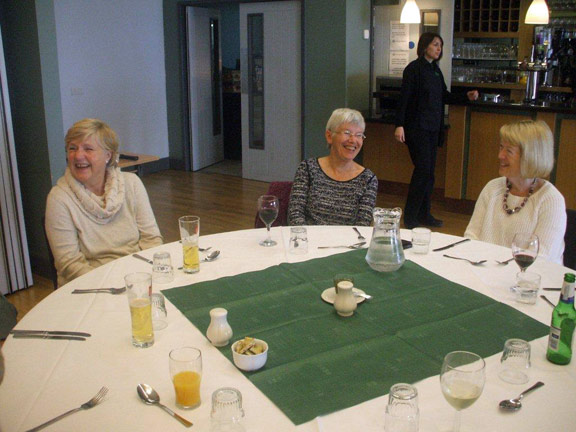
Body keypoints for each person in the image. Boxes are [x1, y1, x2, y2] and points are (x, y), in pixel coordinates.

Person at [45, 119, 163, 286]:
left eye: (88, 149)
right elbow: (70, 264)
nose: (78, 155)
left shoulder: (131, 183)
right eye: (72, 148)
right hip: (90, 286)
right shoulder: (59, 198)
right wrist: (112, 284)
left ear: (108, 155)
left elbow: (152, 239)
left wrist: (142, 277)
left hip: (137, 277)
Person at [395, 32, 479, 230]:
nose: (438, 48)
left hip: (433, 129)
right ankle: (410, 216)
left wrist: (465, 96)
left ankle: (424, 214)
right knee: (422, 171)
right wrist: (399, 124)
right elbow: (404, 99)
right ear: (425, 46)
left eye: (440, 45)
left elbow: (445, 96)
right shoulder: (413, 69)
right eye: (435, 44)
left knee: (429, 174)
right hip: (416, 129)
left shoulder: (435, 70)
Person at [465, 120, 566, 264]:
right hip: (486, 273)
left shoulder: (551, 200)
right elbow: (471, 236)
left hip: (531, 280)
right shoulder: (492, 188)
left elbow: (542, 259)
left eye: (509, 151)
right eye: (501, 147)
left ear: (530, 156)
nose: (500, 155)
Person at [288, 108, 378, 226]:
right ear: (329, 136)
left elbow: (362, 225)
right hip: (308, 240)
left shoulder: (368, 179)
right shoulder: (308, 168)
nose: (353, 140)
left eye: (359, 135)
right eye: (347, 133)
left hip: (347, 243)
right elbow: (295, 214)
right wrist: (306, 241)